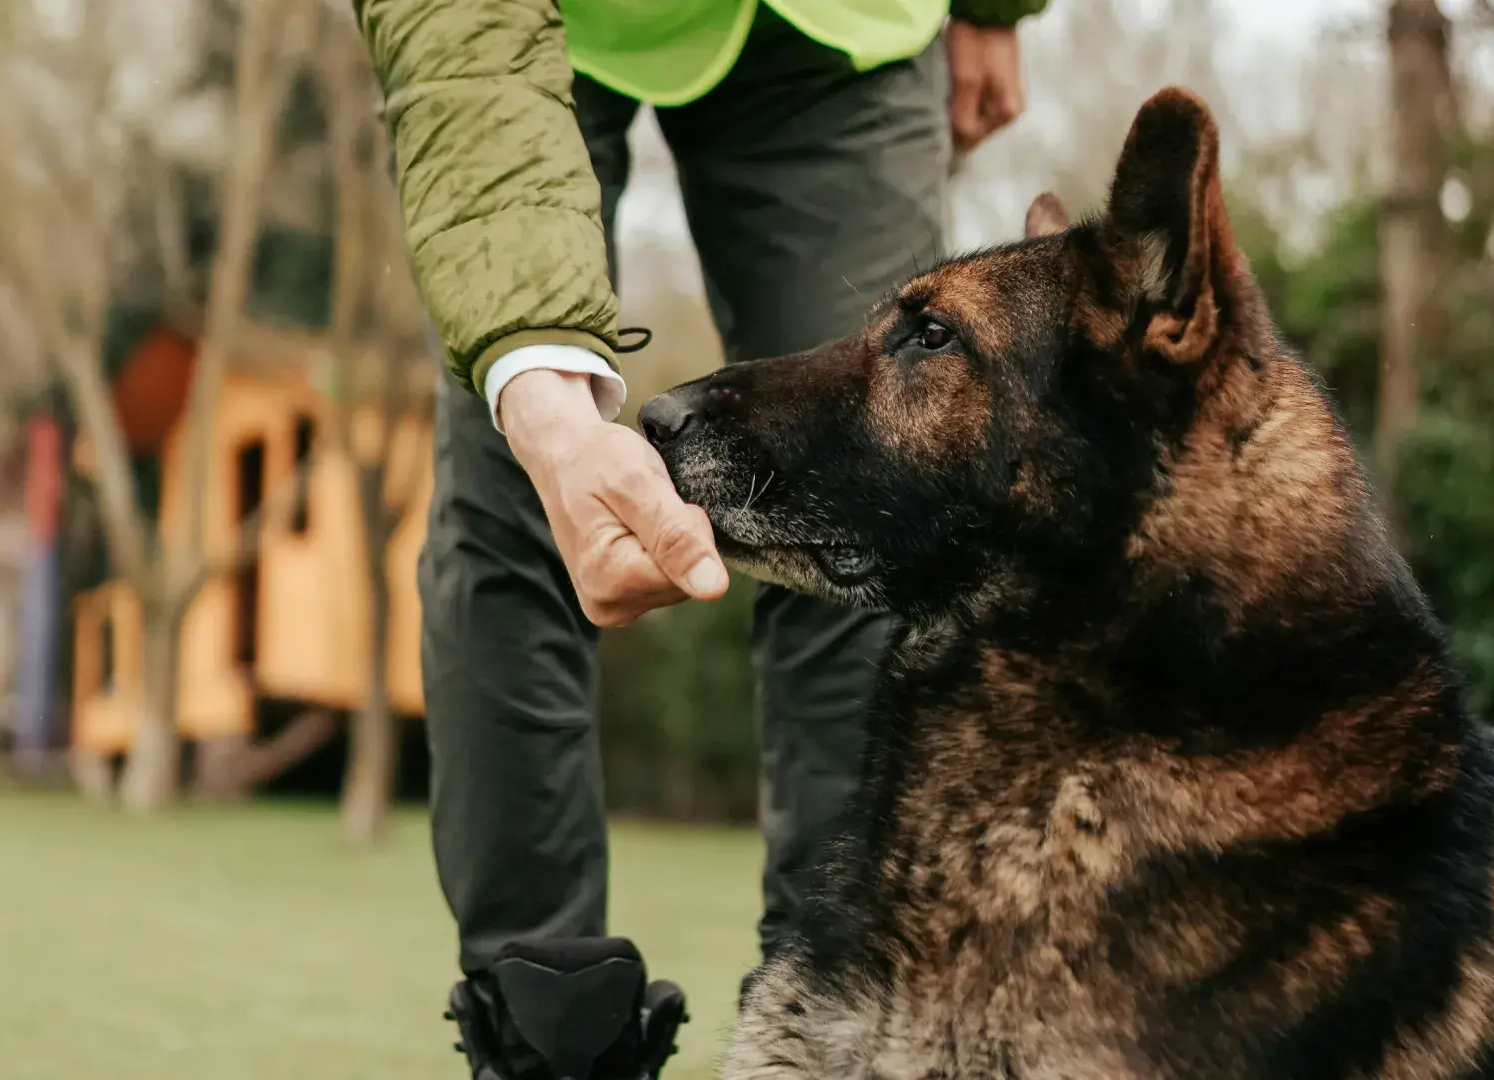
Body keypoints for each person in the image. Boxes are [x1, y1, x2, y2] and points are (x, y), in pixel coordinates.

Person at [356, 1, 1047, 1075]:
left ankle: (834, 1036)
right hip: (527, 27)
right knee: (512, 509)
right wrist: (540, 396)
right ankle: (544, 1043)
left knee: (878, 505)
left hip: (839, 29)